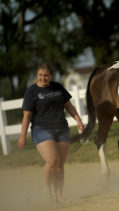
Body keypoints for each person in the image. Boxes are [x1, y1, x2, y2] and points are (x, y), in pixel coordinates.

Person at [17, 63, 84, 203]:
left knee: (60, 165)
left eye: (46, 75)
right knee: (52, 160)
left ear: (51, 76)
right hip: (42, 129)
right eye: (40, 75)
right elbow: (27, 115)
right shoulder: (31, 92)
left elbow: (69, 106)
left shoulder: (58, 87)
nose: (43, 78)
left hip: (62, 129)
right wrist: (23, 135)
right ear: (37, 76)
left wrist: (78, 119)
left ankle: (59, 195)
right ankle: (47, 191)